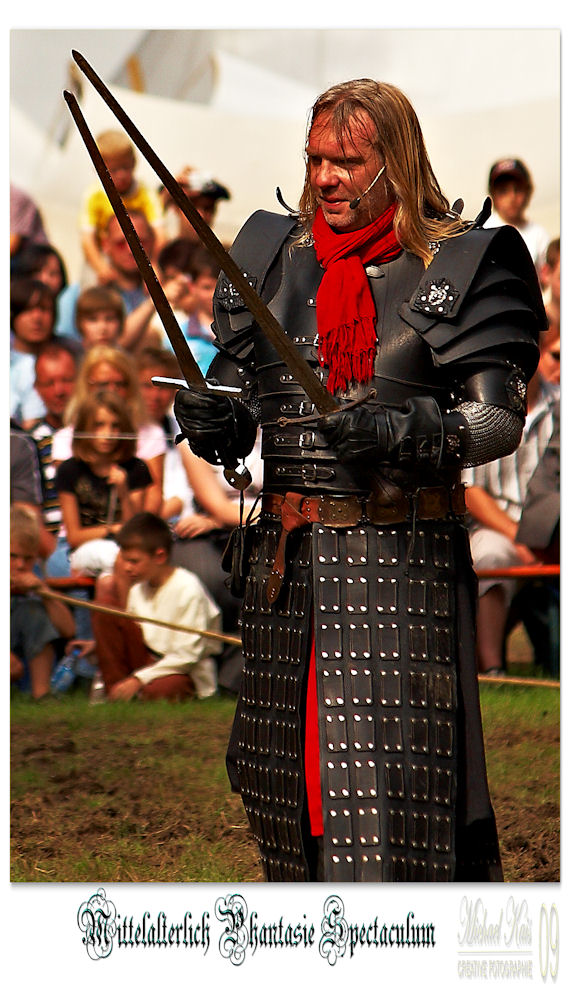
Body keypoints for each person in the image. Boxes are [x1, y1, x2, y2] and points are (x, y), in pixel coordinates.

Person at [173, 79, 546, 883]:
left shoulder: (464, 261)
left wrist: (408, 430)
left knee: (390, 791)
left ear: (395, 162)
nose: (325, 178)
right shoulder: (274, 252)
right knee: (288, 784)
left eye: (347, 161)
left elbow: (496, 422)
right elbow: (254, 403)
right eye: (315, 159)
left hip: (398, 564)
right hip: (286, 567)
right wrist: (222, 426)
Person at [463, 327, 559, 677]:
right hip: (498, 528)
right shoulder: (485, 407)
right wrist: (521, 539)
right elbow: (470, 490)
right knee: (490, 553)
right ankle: (492, 670)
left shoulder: (561, 408)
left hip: (553, 532)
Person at [90, 512, 221, 702]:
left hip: (180, 669)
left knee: (163, 689)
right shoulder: (138, 589)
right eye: (124, 560)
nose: (126, 568)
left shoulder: (188, 588)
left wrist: (138, 679)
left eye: (133, 561)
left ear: (159, 556)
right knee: (106, 609)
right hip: (147, 664)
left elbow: (187, 656)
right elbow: (137, 634)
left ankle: (134, 693)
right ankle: (116, 693)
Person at [51, 345, 166, 516]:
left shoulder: (152, 434)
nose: (112, 391)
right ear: (87, 386)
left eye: (120, 384)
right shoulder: (64, 438)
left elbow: (153, 501)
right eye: (103, 384)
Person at [54, 392, 152, 579]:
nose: (108, 434)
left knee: (109, 580)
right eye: (99, 425)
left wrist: (123, 492)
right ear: (85, 427)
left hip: (126, 550)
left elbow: (134, 531)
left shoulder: (136, 468)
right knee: (119, 560)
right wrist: (112, 530)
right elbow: (74, 536)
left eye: (115, 426)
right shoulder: (69, 470)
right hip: (83, 551)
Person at [56, 211, 156, 346]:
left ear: (151, 242)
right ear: (105, 244)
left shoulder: (170, 289)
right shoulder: (76, 295)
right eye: (121, 243)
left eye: (139, 243)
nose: (130, 250)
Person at [78, 129, 163, 284]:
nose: (122, 175)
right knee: (90, 282)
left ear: (134, 163)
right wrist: (100, 267)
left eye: (125, 167)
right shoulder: (94, 195)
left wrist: (155, 264)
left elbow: (161, 235)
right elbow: (87, 240)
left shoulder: (145, 193)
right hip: (105, 255)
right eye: (114, 170)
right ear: (99, 170)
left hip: (141, 256)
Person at [10, 505, 75, 699]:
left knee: (34, 611)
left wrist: (44, 592)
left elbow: (69, 630)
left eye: (28, 558)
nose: (20, 565)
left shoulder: (35, 579)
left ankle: (42, 695)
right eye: (12, 556)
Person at [29, 343, 78, 539]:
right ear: (37, 388)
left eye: (66, 380)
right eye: (49, 383)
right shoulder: (30, 441)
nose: (59, 391)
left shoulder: (99, 431)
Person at [484, 158, 550, 272]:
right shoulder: (484, 232)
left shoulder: (539, 236)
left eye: (518, 189)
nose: (512, 197)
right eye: (503, 191)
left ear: (529, 192)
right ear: (492, 195)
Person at [161, 166, 230, 244]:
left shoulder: (226, 253)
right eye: (193, 207)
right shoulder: (163, 252)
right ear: (176, 207)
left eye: (208, 208)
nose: (201, 215)